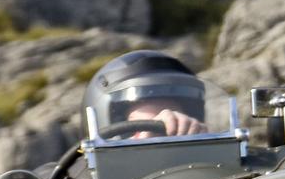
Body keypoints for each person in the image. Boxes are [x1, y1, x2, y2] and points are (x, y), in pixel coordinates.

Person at [82, 51, 210, 141]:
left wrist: (206, 147)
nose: (163, 136)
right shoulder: (78, 177)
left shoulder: (217, 169)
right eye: (137, 128)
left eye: (177, 123)